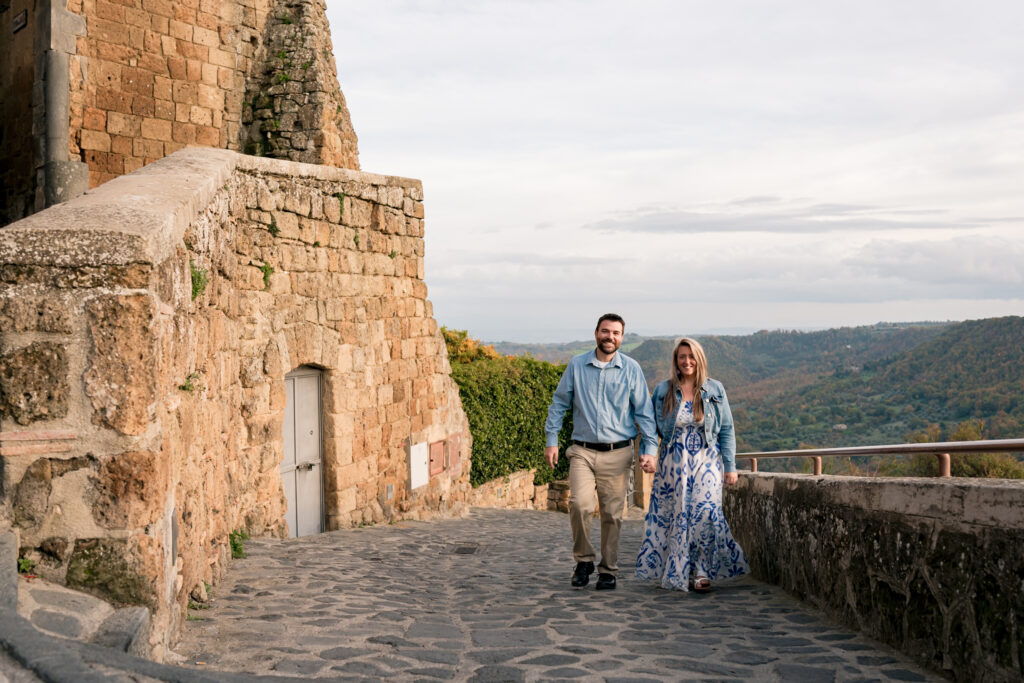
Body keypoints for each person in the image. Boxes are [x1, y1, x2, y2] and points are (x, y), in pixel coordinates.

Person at [545, 313, 658, 590]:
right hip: (582, 451)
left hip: (618, 453)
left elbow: (644, 413)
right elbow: (559, 403)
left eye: (616, 333)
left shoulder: (631, 369)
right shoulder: (577, 365)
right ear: (596, 333)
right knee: (580, 504)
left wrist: (649, 449)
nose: (610, 337)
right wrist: (552, 439)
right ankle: (583, 560)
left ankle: (608, 569)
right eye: (606, 331)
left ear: (622, 337)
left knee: (612, 514)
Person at [635, 337, 748, 592]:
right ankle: (678, 568)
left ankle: (701, 571)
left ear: (700, 359)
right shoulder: (664, 390)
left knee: (706, 514)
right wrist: (649, 454)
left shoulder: (715, 389)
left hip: (707, 461)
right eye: (681, 357)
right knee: (677, 515)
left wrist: (730, 466)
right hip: (673, 462)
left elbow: (727, 430)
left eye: (691, 356)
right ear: (675, 360)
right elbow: (650, 429)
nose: (687, 361)